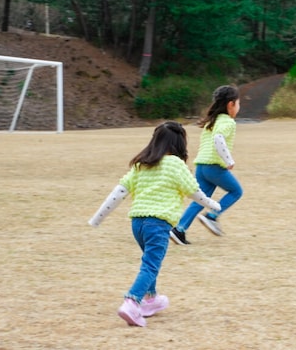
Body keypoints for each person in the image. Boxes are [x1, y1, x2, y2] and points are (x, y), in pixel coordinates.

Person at [88, 121, 221, 327]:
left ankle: (151, 298)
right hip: (158, 225)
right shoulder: (176, 164)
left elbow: (119, 192)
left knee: (149, 261)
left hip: (137, 225)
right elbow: (194, 191)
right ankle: (132, 302)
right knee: (150, 265)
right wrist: (213, 205)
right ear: (180, 144)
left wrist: (98, 218)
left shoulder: (142, 165)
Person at [170, 85, 243, 245]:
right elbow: (218, 139)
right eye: (238, 103)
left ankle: (179, 230)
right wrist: (228, 160)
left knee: (201, 199)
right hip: (214, 166)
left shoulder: (212, 121)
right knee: (236, 191)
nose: (239, 107)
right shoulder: (228, 122)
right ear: (230, 104)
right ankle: (212, 216)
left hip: (201, 166)